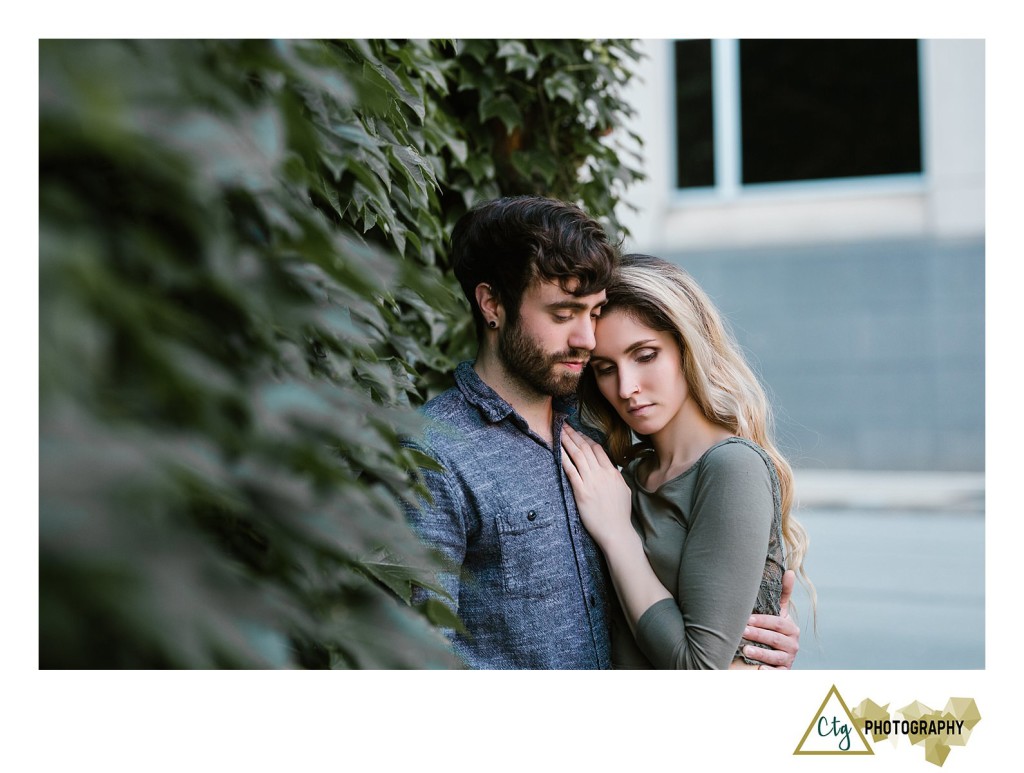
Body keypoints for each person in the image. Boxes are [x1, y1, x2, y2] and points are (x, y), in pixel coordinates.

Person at [404, 197, 801, 669]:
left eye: (593, 314)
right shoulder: (438, 454)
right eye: (563, 313)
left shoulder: (600, 429)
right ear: (491, 304)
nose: (586, 340)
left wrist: (752, 640)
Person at [561, 253, 815, 669]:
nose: (626, 387)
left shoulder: (732, 467)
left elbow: (699, 669)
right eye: (605, 369)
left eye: (644, 355)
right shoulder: (621, 477)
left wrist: (617, 534)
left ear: (687, 346)